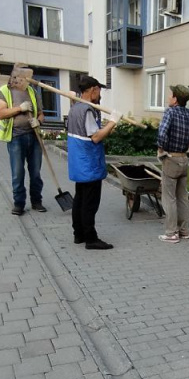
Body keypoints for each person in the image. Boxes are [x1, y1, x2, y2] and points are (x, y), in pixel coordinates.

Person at [67, 75, 122, 250]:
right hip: (88, 163)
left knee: (80, 199)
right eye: (99, 91)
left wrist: (105, 127)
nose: (100, 95)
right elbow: (96, 137)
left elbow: (89, 131)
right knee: (89, 203)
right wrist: (113, 122)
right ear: (93, 90)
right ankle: (91, 239)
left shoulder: (75, 107)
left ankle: (79, 234)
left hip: (78, 162)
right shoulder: (87, 110)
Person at [0, 63, 46, 215]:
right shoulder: (5, 91)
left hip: (34, 136)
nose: (27, 80)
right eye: (25, 77)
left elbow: (41, 113)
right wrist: (20, 108)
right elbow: (1, 113)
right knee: (18, 173)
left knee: (36, 172)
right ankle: (19, 204)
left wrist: (39, 121)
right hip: (16, 137)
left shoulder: (32, 91)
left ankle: (37, 201)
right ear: (16, 76)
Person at [157, 84, 189, 243]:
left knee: (169, 197)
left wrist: (161, 149)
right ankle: (184, 231)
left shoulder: (170, 112)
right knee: (182, 197)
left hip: (171, 159)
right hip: (184, 159)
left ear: (176, 99)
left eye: (171, 95)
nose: (169, 98)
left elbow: (162, 134)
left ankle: (171, 233)